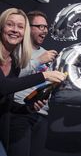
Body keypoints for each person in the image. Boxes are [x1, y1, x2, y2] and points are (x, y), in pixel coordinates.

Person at [0, 8, 66, 154]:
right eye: (10, 25)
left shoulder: (14, 59)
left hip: (34, 113)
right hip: (18, 118)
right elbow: (5, 86)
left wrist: (31, 106)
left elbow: (6, 98)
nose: (15, 30)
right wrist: (43, 70)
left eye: (20, 26)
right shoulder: (21, 54)